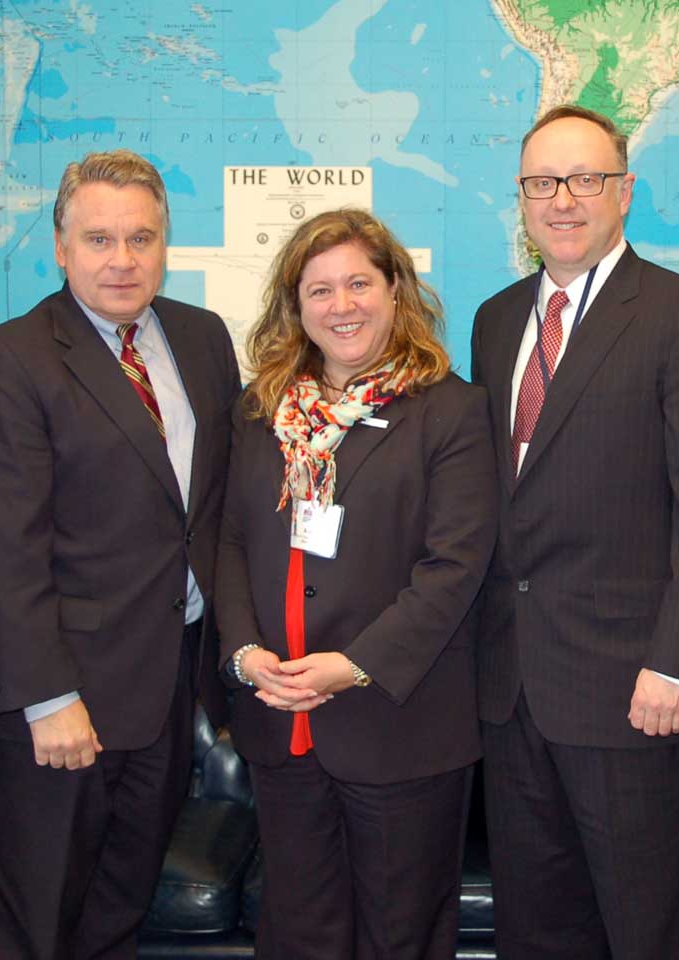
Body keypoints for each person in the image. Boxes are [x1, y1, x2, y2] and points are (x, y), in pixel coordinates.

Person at [469, 104, 679, 958]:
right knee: (536, 925)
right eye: (541, 183)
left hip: (635, 694)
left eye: (585, 179)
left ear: (624, 192)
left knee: (639, 926)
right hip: (512, 690)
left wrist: (676, 664)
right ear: (521, 198)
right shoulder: (494, 322)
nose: (562, 199)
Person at [0, 148, 238, 959]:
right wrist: (49, 700)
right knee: (37, 925)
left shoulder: (201, 337)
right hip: (64, 700)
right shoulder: (13, 359)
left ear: (164, 244)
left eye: (142, 238)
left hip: (167, 687)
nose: (123, 259)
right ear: (60, 245)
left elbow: (217, 505)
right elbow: (4, 544)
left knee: (119, 912)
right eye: (99, 239)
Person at [217, 208, 497, 959]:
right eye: (319, 290)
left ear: (396, 292)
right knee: (299, 934)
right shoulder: (259, 414)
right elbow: (232, 540)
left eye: (359, 284)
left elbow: (455, 565)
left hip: (400, 728)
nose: (342, 306)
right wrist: (245, 655)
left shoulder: (451, 410)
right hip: (283, 726)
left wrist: (354, 665)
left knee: (400, 938)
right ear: (295, 306)